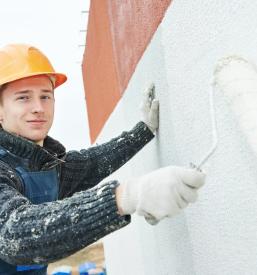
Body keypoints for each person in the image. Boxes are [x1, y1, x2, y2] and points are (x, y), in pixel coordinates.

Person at [0, 43, 206, 275]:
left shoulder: (48, 165)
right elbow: (12, 233)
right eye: (23, 98)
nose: (38, 107)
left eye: (45, 96)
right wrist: (127, 196)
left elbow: (95, 161)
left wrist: (144, 130)